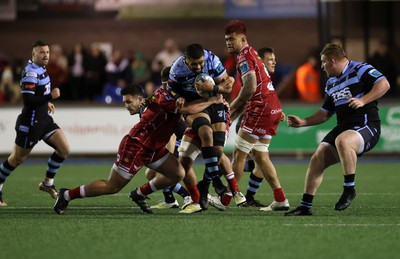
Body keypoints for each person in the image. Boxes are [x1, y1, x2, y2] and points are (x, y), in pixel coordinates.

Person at [53, 84, 224, 214]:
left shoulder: (165, 94)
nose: (126, 105)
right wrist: (212, 100)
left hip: (153, 148)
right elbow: (186, 110)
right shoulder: (165, 98)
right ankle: (67, 194)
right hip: (136, 147)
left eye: (128, 101)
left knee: (178, 173)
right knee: (112, 186)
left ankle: (141, 193)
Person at [285, 43, 390, 216]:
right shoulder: (331, 83)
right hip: (344, 127)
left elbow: (384, 84)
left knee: (343, 140)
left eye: (323, 62)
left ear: (333, 61)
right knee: (317, 158)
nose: (321, 66)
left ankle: (349, 189)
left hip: (366, 125)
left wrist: (363, 100)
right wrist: (303, 122)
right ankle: (305, 206)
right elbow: (325, 113)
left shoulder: (360, 68)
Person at [167, 43, 244, 211]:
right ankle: (216, 181)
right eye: (194, 64)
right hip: (194, 106)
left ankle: (204, 186)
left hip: (214, 105)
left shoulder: (213, 60)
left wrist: (214, 88)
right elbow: (170, 88)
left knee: (217, 151)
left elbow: (227, 85)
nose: (199, 67)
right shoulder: (177, 68)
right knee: (205, 131)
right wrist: (179, 96)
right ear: (186, 60)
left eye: (201, 63)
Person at [224, 20, 290, 212]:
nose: (228, 43)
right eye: (226, 39)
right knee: (261, 156)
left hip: (260, 109)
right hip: (272, 107)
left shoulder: (244, 57)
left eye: (232, 39)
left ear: (243, 38)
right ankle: (280, 199)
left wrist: (230, 108)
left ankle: (226, 199)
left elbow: (250, 88)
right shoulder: (252, 53)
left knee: (239, 155)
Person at [0, 40, 70, 206]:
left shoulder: (41, 69)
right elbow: (28, 100)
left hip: (44, 120)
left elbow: (38, 93)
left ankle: (47, 183)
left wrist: (46, 103)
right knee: (16, 159)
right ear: (33, 55)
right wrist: (49, 97)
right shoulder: (31, 72)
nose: (45, 55)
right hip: (30, 122)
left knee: (64, 149)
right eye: (41, 52)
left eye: (47, 52)